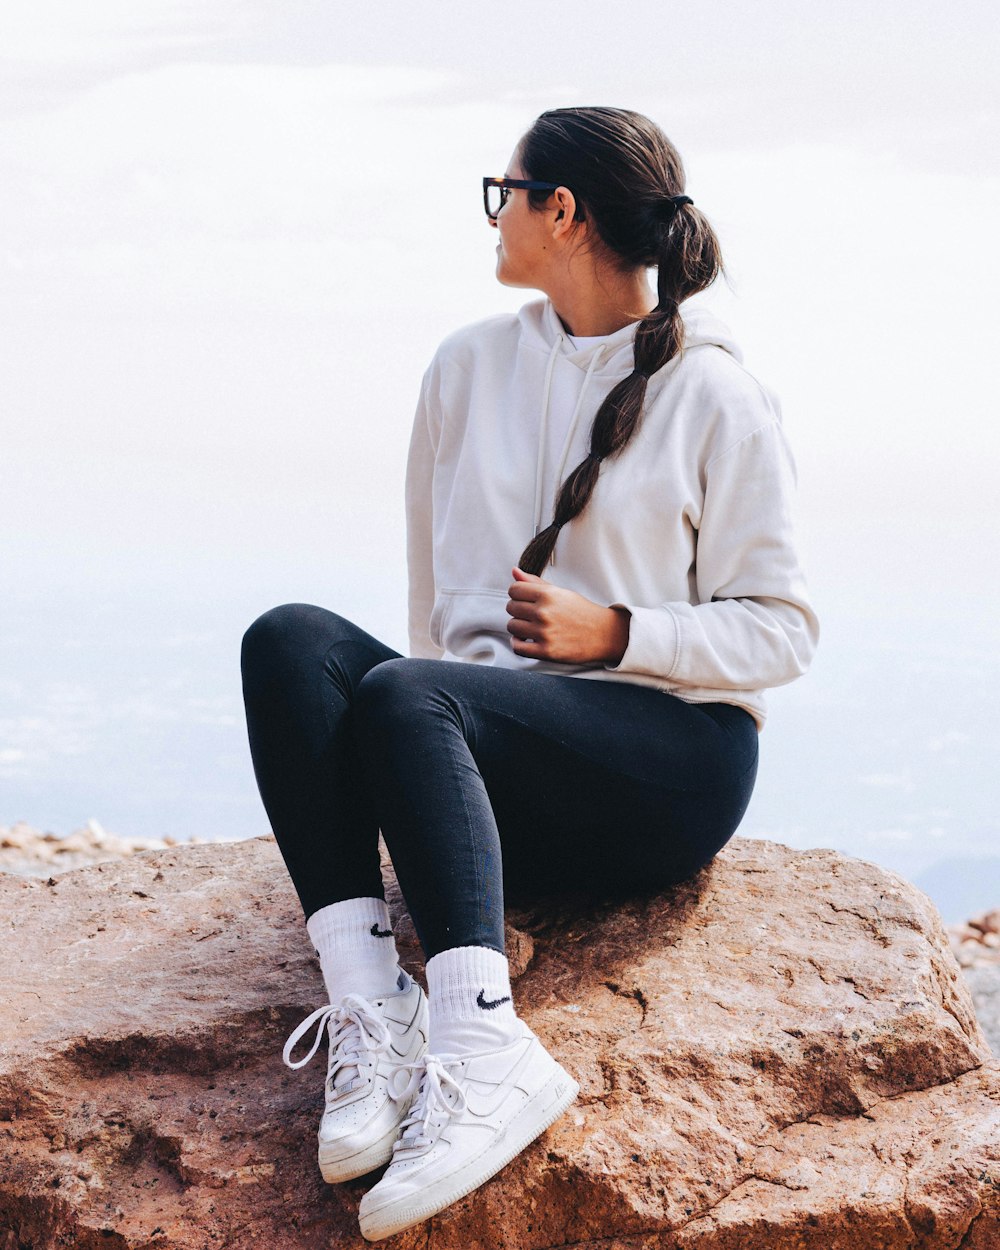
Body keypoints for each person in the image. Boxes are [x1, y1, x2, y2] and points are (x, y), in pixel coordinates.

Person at [240, 106, 819, 1242]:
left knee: (412, 690)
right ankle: (376, 1005)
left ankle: (484, 1043)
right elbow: (428, 611)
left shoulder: (716, 395)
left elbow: (783, 631)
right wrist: (429, 794)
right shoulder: (465, 366)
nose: (494, 211)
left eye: (503, 189)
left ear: (563, 211)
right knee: (291, 640)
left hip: (667, 765)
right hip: (483, 759)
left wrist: (616, 634)